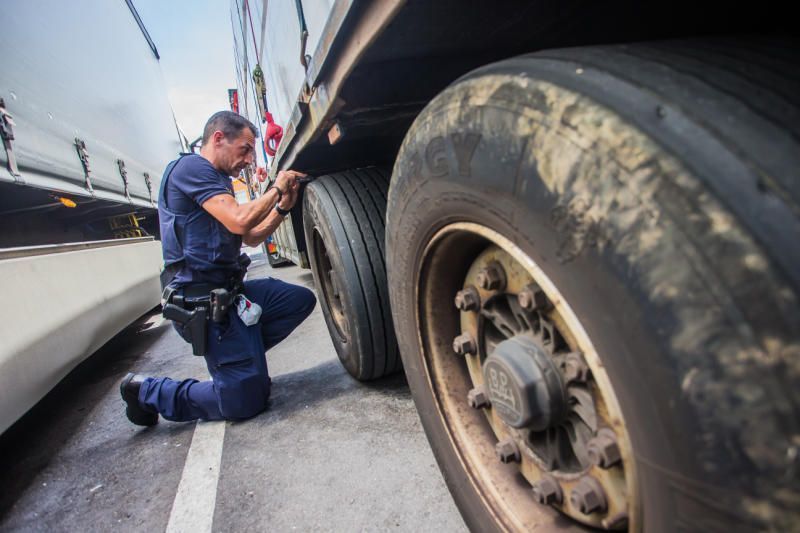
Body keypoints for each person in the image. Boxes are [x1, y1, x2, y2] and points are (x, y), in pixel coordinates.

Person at [120, 111, 315, 425]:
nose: (250, 159)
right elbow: (240, 218)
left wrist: (282, 208)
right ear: (218, 138)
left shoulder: (218, 181)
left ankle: (241, 363)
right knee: (245, 402)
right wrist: (276, 189)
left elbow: (248, 235)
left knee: (297, 301)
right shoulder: (192, 168)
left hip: (231, 294)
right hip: (202, 305)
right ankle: (146, 390)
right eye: (245, 149)